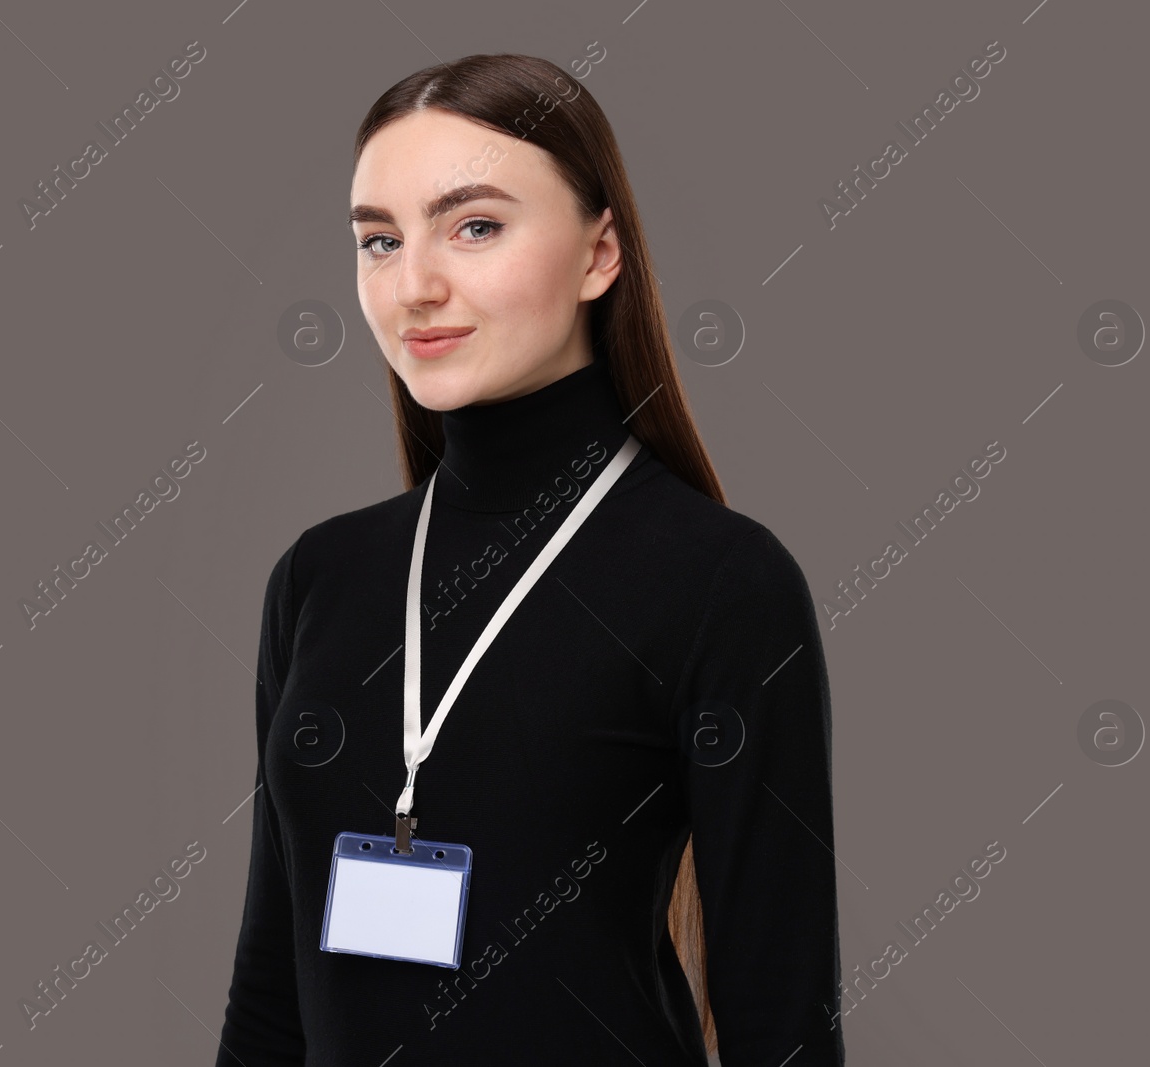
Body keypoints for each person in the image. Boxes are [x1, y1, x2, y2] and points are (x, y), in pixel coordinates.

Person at [216, 53, 843, 1066]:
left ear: (601, 254)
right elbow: (270, 995)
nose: (413, 285)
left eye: (474, 225)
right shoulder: (318, 577)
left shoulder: (723, 583)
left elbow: (782, 1023)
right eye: (379, 240)